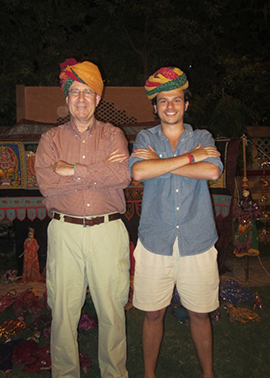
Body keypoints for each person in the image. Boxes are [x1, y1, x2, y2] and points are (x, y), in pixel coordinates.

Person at [35, 58, 131, 378]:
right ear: (66, 98)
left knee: (112, 311)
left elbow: (122, 175)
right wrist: (98, 173)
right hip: (65, 231)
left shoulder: (112, 134)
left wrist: (73, 170)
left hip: (108, 230)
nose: (80, 99)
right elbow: (47, 183)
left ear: (98, 99)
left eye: (88, 93)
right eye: (75, 92)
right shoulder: (51, 140)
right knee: (63, 313)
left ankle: (114, 374)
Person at [128, 66, 224, 378]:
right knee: (153, 313)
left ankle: (208, 374)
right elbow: (139, 173)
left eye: (177, 100)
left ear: (186, 104)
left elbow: (212, 172)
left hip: (197, 238)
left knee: (200, 313)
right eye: (163, 100)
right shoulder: (145, 137)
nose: (170, 106)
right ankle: (149, 375)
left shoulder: (202, 137)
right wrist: (190, 158)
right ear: (154, 106)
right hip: (156, 240)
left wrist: (159, 164)